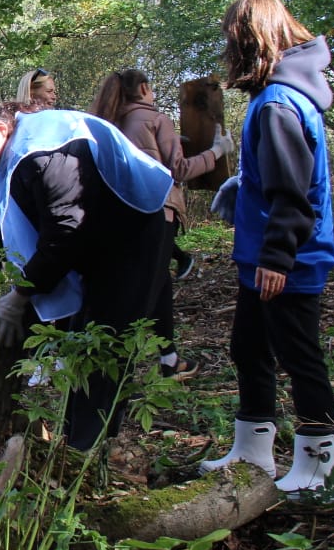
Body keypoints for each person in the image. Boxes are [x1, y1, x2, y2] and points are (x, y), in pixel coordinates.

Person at [0, 94, 173, 451]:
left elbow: (65, 232)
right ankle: (67, 438)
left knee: (103, 343)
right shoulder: (5, 149)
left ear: (3, 128)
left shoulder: (44, 154)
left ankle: (84, 452)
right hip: (92, 238)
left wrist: (21, 295)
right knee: (81, 338)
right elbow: (26, 213)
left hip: (131, 236)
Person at [200, 0, 334, 497]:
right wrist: (243, 188)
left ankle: (315, 466)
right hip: (261, 257)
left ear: (250, 41)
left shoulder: (279, 103)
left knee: (298, 354)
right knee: (249, 347)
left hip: (286, 261)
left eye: (231, 41)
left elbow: (294, 193)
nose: (227, 52)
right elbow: (277, 175)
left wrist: (278, 255)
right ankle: (253, 450)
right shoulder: (275, 97)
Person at [89, 68, 233, 381]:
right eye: (151, 89)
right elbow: (178, 170)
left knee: (159, 284)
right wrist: (217, 151)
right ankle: (115, 374)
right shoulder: (156, 119)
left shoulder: (109, 123)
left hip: (123, 215)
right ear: (143, 88)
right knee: (147, 289)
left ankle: (169, 359)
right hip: (158, 212)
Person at [0, 69, 59, 238]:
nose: (54, 96)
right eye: (49, 91)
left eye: (54, 92)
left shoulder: (58, 127)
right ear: (31, 93)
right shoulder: (13, 129)